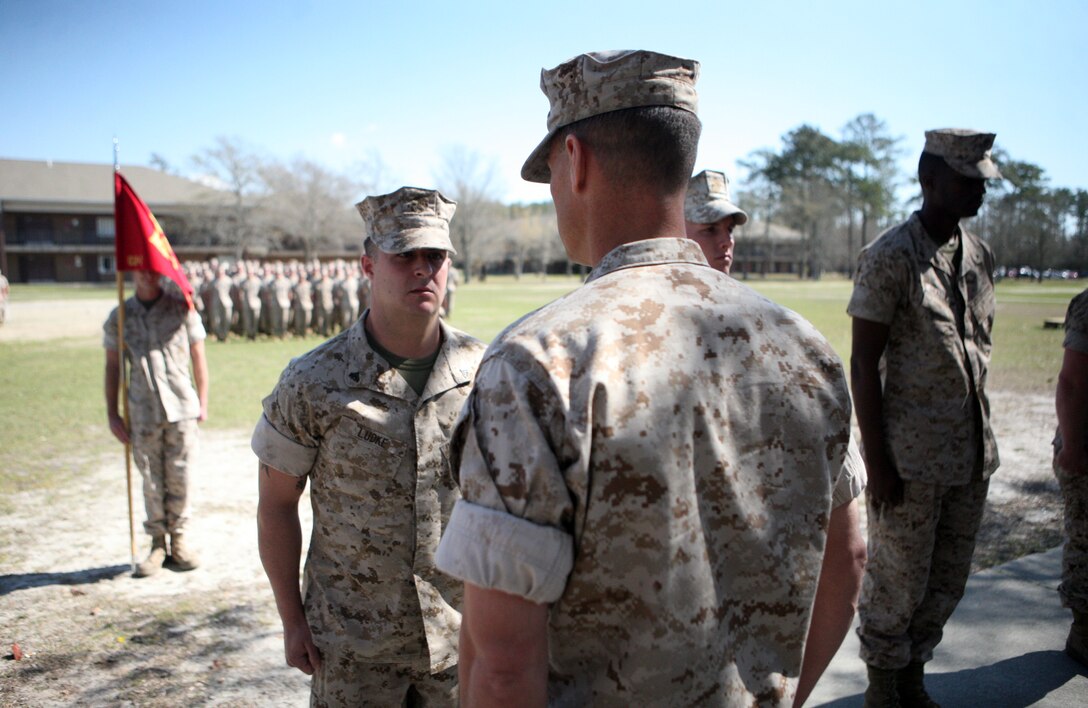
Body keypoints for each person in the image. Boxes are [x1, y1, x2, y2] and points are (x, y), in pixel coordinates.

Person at [435, 49, 866, 707]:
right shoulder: (805, 349)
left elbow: (501, 666)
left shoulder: (538, 362)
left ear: (575, 161)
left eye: (549, 171)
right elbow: (851, 558)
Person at [253, 186, 486, 707]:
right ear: (368, 264)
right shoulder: (313, 382)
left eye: (435, 256)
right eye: (404, 255)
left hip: (458, 642)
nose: (422, 269)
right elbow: (276, 505)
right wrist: (292, 619)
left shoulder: (486, 374)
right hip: (352, 654)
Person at [848, 129, 1002, 707]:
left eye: (982, 181)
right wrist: (878, 461)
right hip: (908, 462)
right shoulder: (890, 257)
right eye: (967, 180)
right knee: (898, 581)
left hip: (969, 456)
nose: (979, 192)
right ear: (929, 180)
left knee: (947, 578)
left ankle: (913, 677)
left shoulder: (980, 255)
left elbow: (975, 353)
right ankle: (885, 687)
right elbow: (864, 364)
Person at [104, 269, 208, 577]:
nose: (147, 276)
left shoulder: (181, 307)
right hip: (142, 410)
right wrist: (113, 413)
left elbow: (198, 356)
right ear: (131, 272)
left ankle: (179, 540)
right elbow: (113, 367)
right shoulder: (119, 316)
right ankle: (157, 543)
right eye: (141, 271)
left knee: (180, 475)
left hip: (180, 407)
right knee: (150, 479)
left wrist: (202, 400)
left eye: (153, 270)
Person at [1054, 288, 1088, 667]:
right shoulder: (1087, 306)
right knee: (1084, 540)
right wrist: (1073, 447)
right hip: (1084, 449)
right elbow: (1073, 382)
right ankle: (1084, 632)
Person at [684, 169, 749, 275]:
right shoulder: (657, 289)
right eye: (710, 229)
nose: (728, 242)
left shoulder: (737, 291)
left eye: (730, 229)